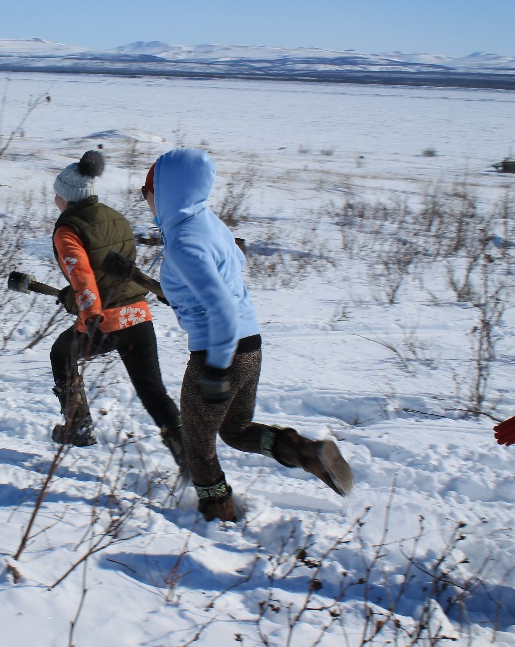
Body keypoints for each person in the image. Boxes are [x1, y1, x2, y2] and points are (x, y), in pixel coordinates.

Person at [143, 148, 353, 521]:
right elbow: (235, 263)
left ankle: (217, 512)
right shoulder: (209, 223)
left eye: (149, 191)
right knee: (235, 430)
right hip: (250, 345)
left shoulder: (184, 242)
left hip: (218, 351)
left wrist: (218, 369)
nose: (146, 201)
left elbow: (219, 307)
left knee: (197, 439)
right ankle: (306, 452)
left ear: (166, 190)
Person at [49, 150, 184, 467]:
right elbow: (113, 272)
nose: (54, 197)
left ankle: (78, 427)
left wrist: (91, 313)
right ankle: (189, 459)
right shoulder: (116, 218)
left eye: (57, 192)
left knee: (61, 353)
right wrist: (76, 298)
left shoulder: (68, 230)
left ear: (67, 196)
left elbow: (83, 275)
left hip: (104, 321)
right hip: (138, 315)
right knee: (154, 393)